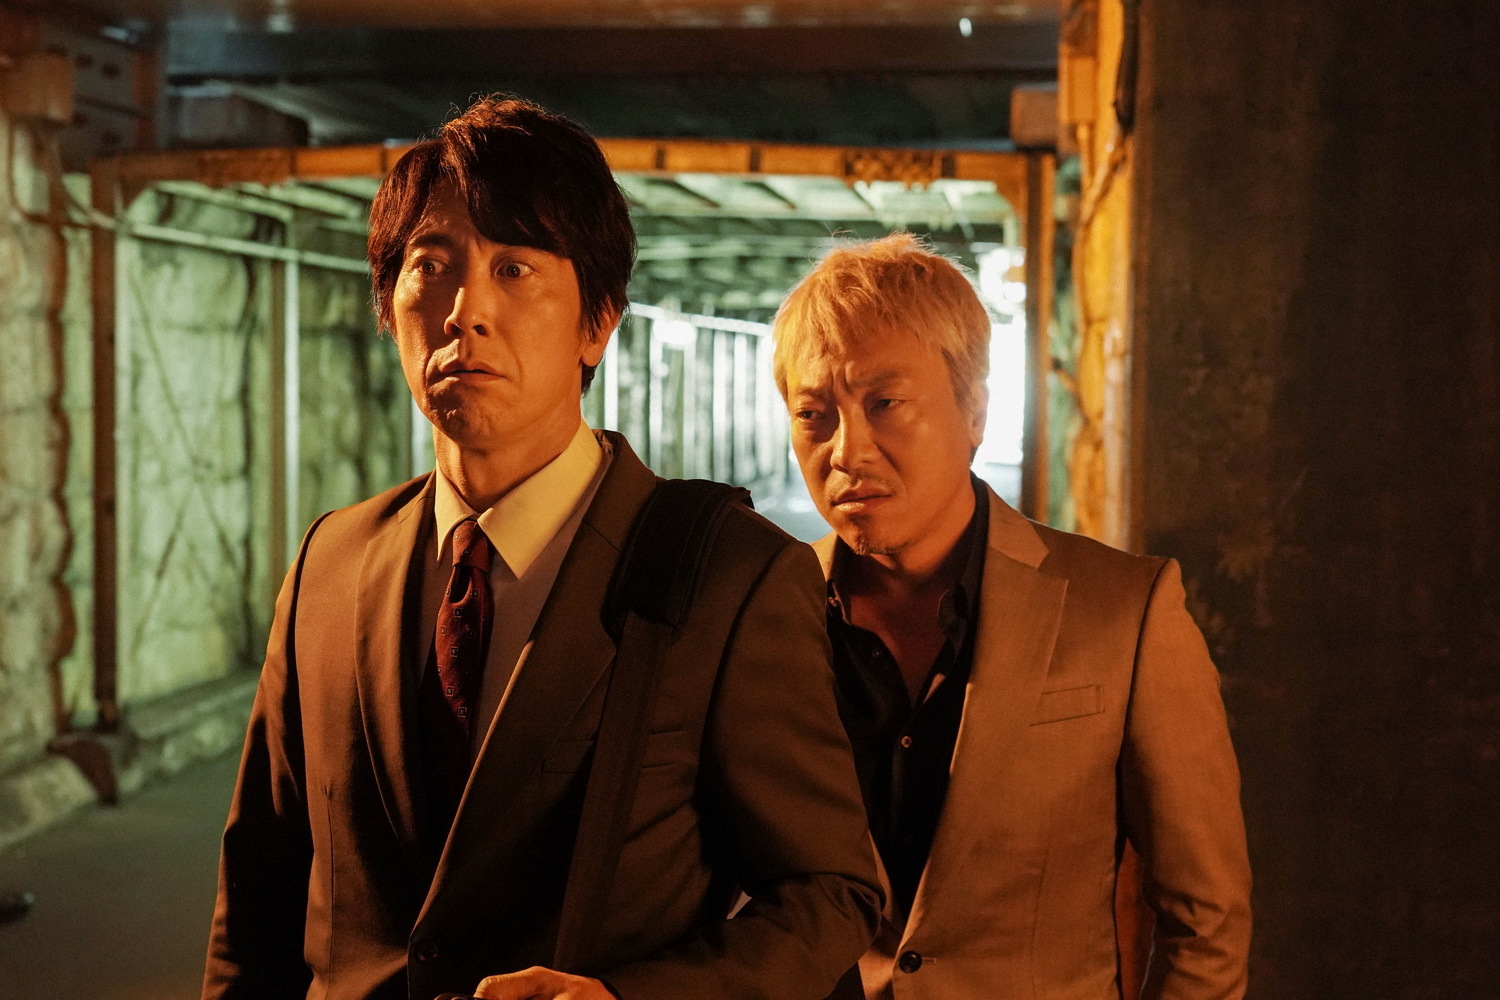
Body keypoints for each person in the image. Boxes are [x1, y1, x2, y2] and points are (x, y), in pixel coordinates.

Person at [202, 96, 880, 1000]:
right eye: (430, 267)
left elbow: (830, 893)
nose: (465, 311)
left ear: (598, 322)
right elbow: (260, 894)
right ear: (389, 309)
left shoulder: (731, 578)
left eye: (514, 268)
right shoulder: (332, 564)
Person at [771, 233, 1252, 999]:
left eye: (885, 404)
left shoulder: (1123, 611)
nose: (847, 451)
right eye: (813, 414)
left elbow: (1206, 923)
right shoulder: (761, 613)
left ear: (975, 410)